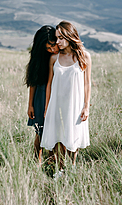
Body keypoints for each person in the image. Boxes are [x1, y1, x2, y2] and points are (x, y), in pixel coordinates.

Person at [41, 21, 92, 174]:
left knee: (73, 136)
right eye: (57, 38)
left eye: (61, 38)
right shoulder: (54, 58)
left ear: (70, 36)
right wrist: (47, 107)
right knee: (58, 135)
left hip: (75, 104)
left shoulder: (84, 56)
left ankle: (72, 169)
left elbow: (87, 84)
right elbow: (49, 84)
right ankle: (60, 169)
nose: (58, 42)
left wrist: (86, 106)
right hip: (57, 103)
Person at [25, 25, 59, 165]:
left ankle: (52, 160)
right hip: (40, 95)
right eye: (48, 47)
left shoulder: (61, 55)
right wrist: (30, 104)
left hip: (56, 94)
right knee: (40, 130)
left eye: (53, 45)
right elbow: (33, 82)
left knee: (54, 130)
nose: (52, 49)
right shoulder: (39, 58)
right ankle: (37, 161)